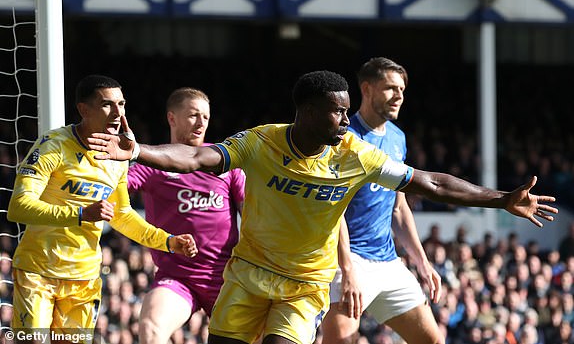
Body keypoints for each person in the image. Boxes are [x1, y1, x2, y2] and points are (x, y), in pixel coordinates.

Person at [88, 70, 557, 344]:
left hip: (304, 285)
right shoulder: (261, 143)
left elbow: (428, 181)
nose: (344, 120)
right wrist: (139, 151)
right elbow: (197, 156)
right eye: (337, 111)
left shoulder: (355, 154)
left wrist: (500, 199)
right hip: (247, 273)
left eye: (346, 109)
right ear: (308, 112)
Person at [7, 75, 196, 340]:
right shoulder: (53, 147)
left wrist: (167, 241)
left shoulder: (116, 156)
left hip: (84, 279)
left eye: (122, 104)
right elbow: (18, 207)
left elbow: (122, 215)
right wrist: (80, 214)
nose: (118, 113)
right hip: (39, 273)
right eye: (108, 105)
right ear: (84, 110)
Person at [320, 57, 443, 344]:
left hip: (388, 261)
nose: (399, 95)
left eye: (402, 89)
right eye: (390, 88)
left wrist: (422, 262)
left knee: (432, 341)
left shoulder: (397, 138)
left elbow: (398, 207)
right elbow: (330, 208)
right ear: (367, 89)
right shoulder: (343, 139)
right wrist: (347, 268)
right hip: (346, 260)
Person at [127, 88, 245, 344]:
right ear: (172, 118)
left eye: (205, 116)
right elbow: (115, 186)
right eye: (193, 115)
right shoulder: (155, 161)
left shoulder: (224, 160)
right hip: (178, 277)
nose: (201, 122)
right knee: (151, 327)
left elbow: (253, 213)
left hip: (227, 278)